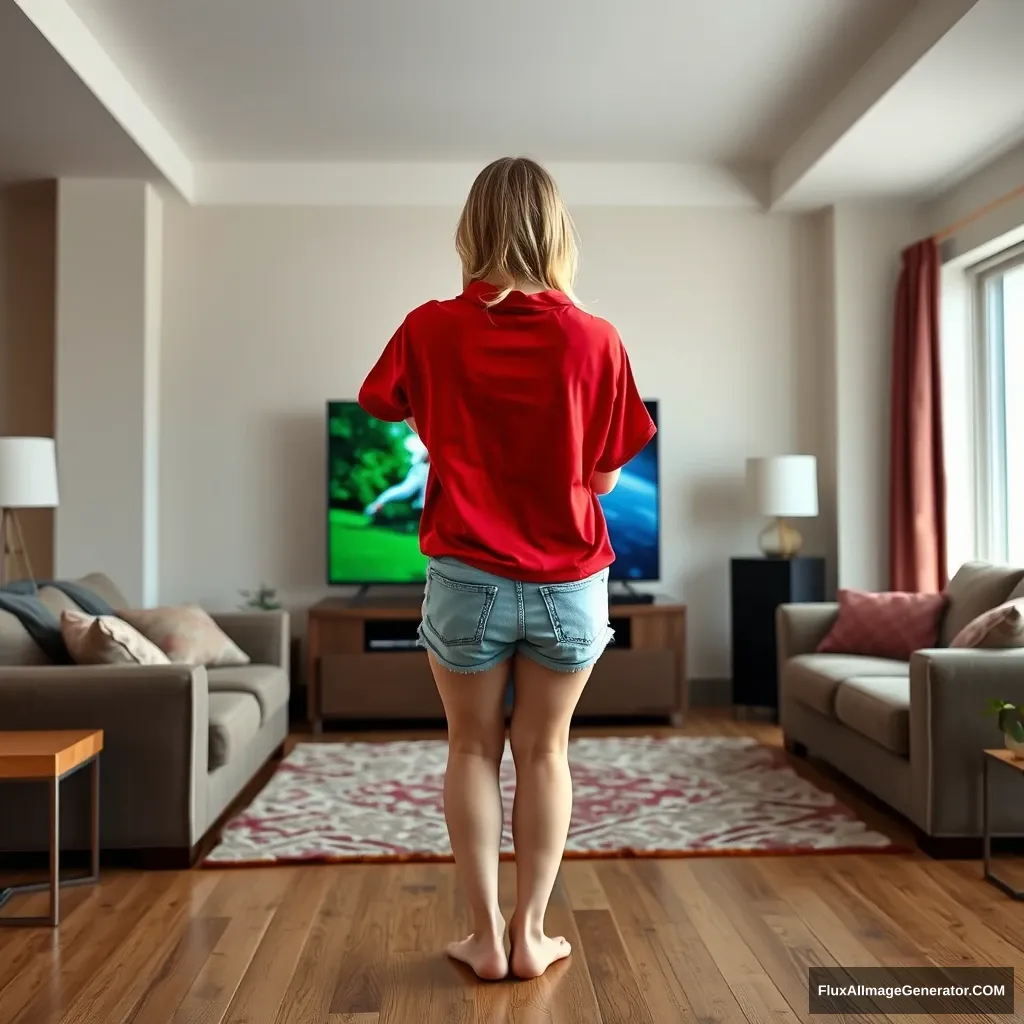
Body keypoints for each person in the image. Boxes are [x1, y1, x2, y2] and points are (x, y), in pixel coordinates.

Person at [358, 156, 655, 981]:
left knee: (470, 751)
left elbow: (392, 407)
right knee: (547, 752)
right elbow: (601, 477)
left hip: (465, 577)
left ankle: (483, 938)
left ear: (472, 230)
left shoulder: (428, 328)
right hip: (570, 581)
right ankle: (533, 935)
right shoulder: (597, 337)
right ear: (556, 232)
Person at [364, 434, 429, 516]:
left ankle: (421, 510)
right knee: (406, 490)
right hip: (422, 467)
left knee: (424, 495)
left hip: (427, 467)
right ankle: (377, 504)